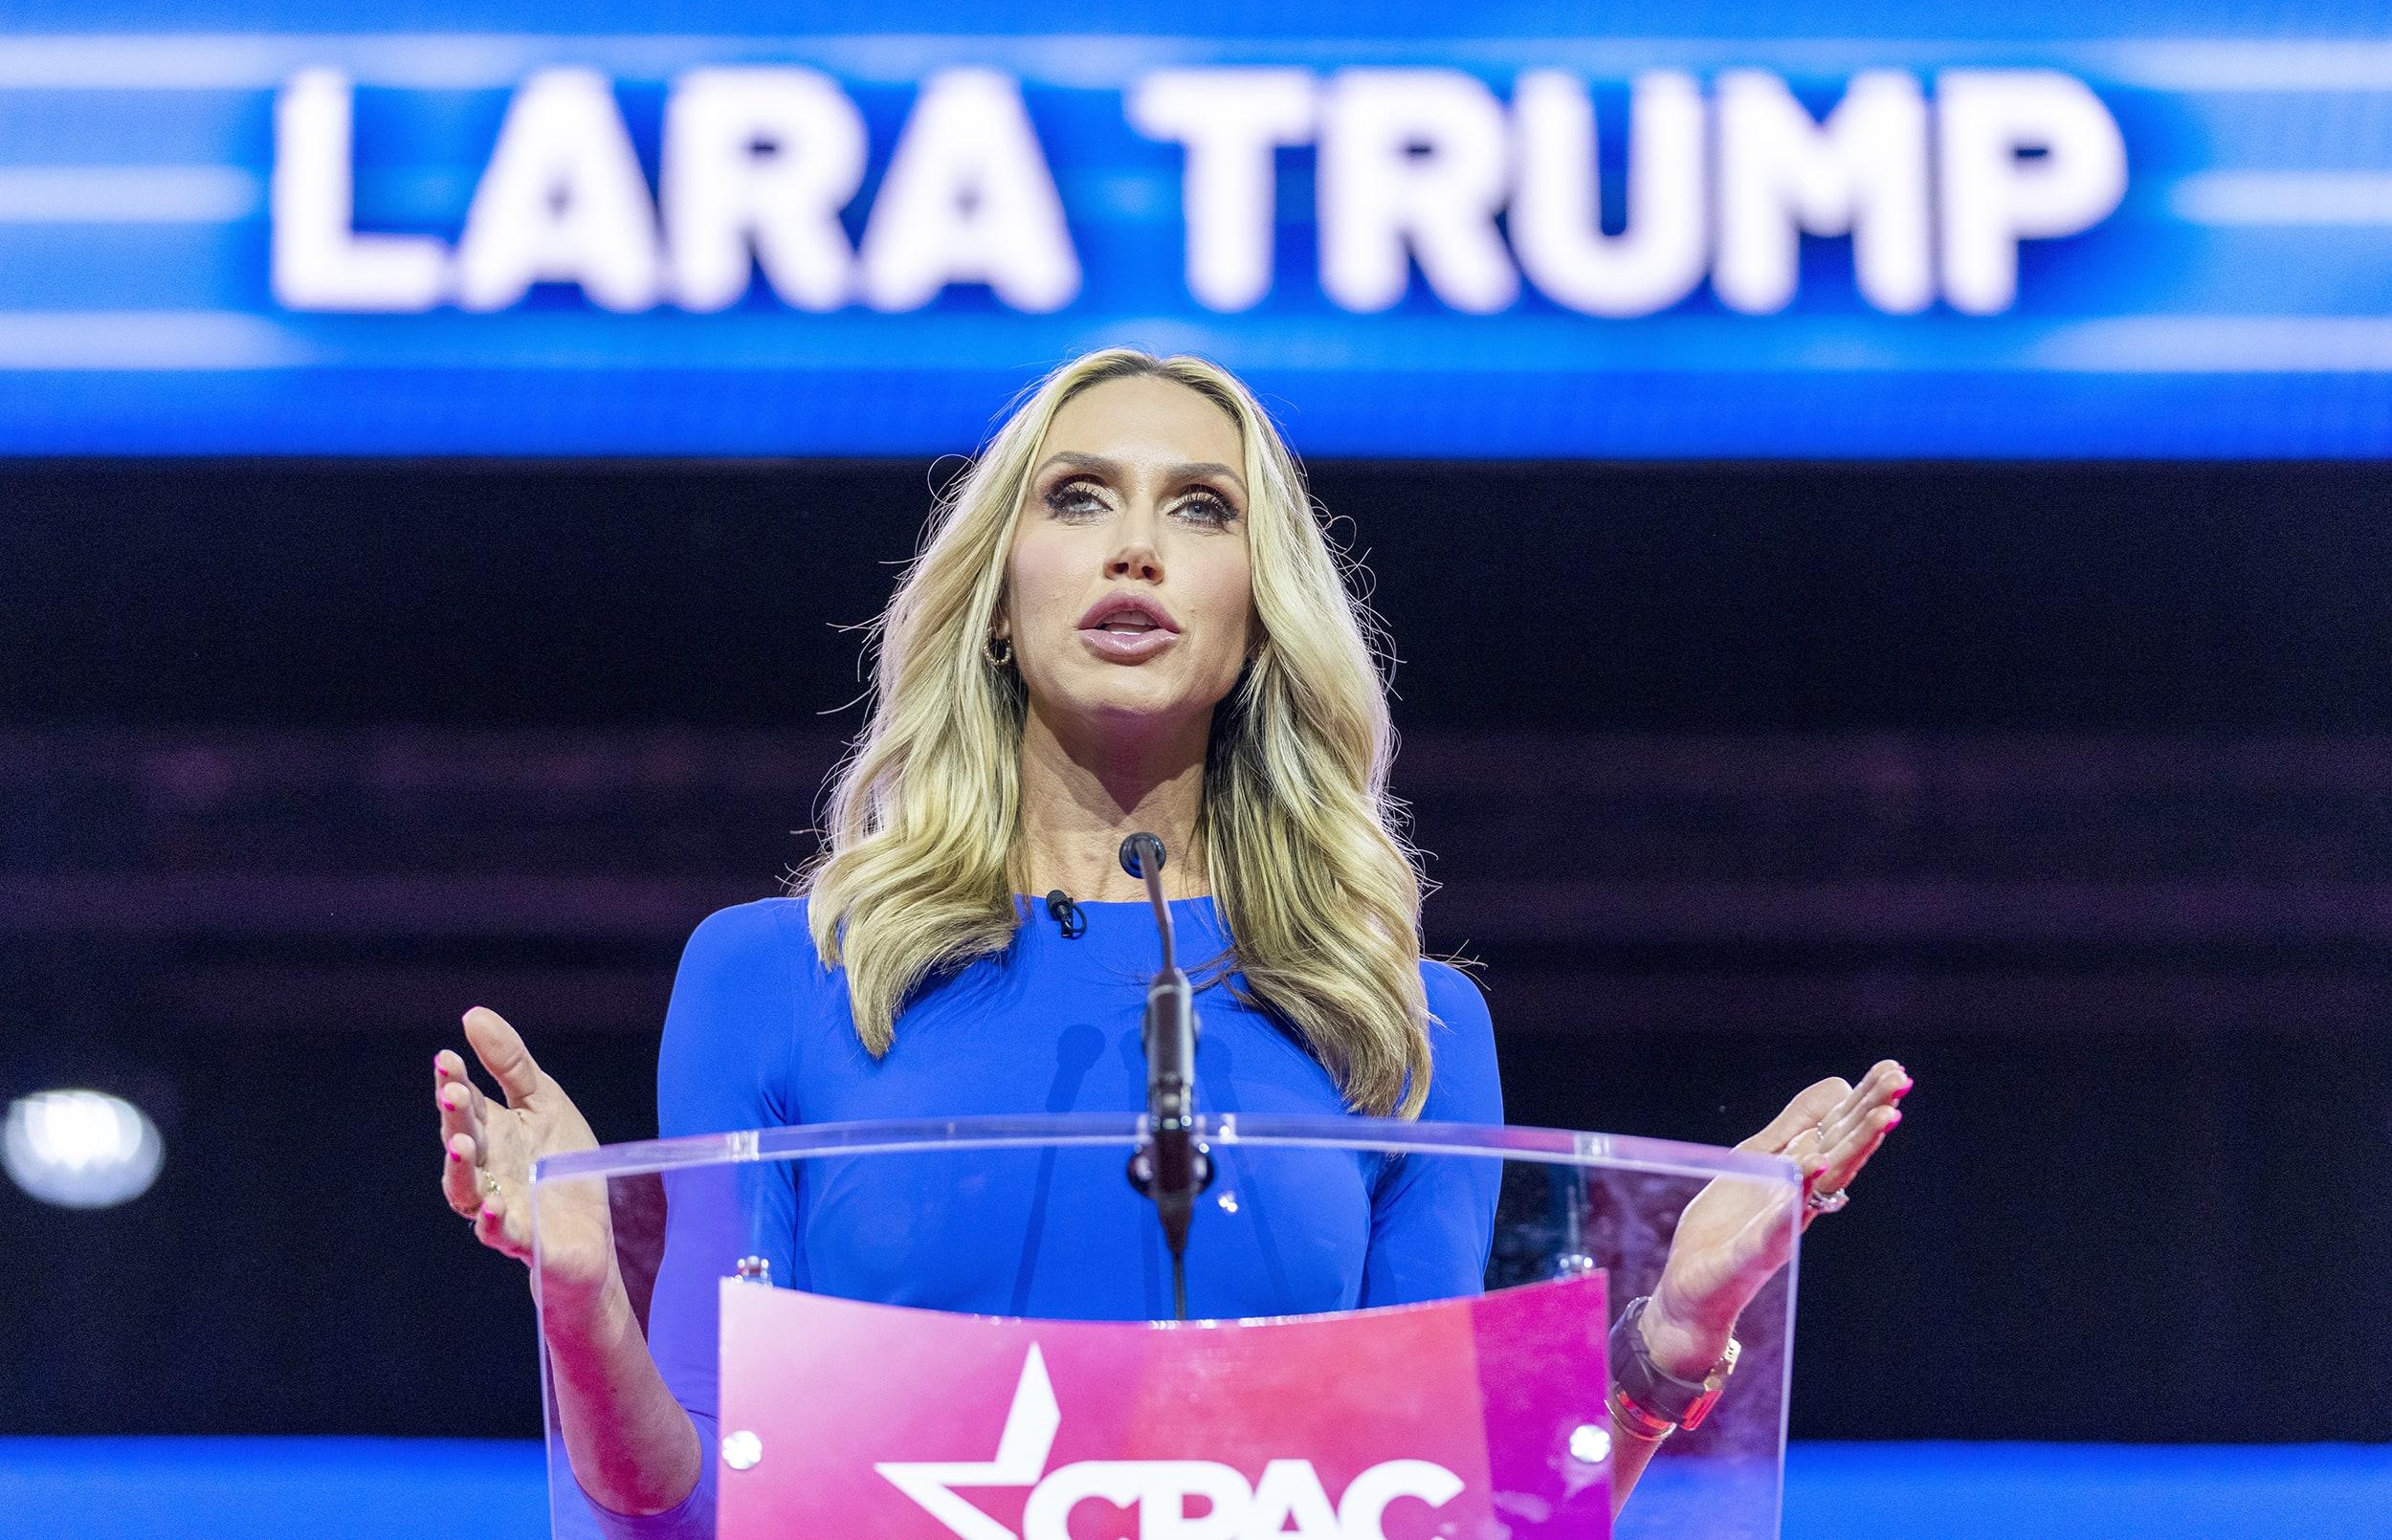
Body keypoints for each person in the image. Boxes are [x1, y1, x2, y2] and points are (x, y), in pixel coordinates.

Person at [431, 348, 1911, 1533]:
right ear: (997, 601)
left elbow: (1452, 1521)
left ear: (1260, 617)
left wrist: (1669, 1337)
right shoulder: (773, 977)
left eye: (1201, 509)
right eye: (1078, 498)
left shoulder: (1403, 1022)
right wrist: (581, 1300)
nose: (1136, 546)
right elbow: (690, 1511)